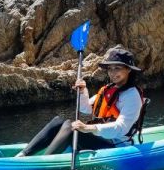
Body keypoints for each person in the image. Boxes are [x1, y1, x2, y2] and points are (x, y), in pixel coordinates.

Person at [15, 46, 146, 156]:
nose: (112, 73)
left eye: (117, 68)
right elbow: (85, 108)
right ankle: (22, 155)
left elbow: (121, 128)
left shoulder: (132, 95)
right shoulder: (108, 89)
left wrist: (89, 128)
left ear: (128, 70)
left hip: (117, 145)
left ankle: (43, 163)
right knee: (59, 121)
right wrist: (83, 91)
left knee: (72, 128)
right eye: (110, 69)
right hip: (101, 138)